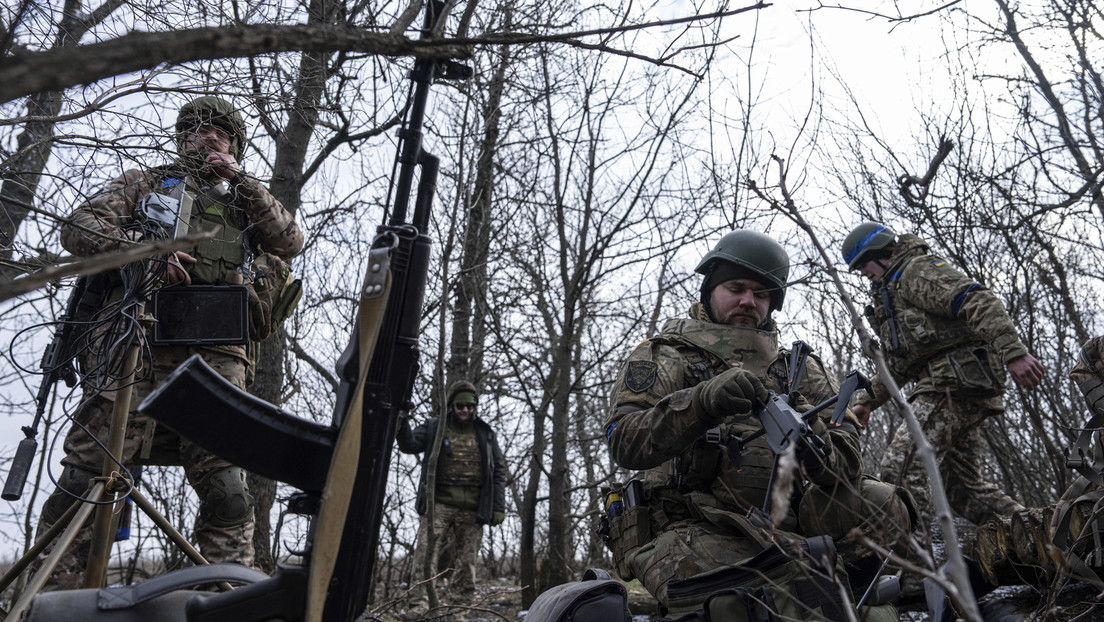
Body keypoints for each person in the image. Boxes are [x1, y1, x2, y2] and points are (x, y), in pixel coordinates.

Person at [37, 96, 304, 588]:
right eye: (198, 129)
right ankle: (53, 598)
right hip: (133, 343)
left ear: (235, 146)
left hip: (216, 357)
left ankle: (227, 597)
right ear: (181, 140)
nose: (210, 137)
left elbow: (290, 241)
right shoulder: (143, 183)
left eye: (221, 132)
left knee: (228, 490)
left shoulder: (247, 203)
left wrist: (243, 181)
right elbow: (76, 227)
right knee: (87, 476)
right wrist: (144, 252)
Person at [603, 230, 911, 619]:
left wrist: (814, 442)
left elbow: (848, 462)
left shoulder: (799, 367)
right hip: (694, 521)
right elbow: (624, 441)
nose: (748, 301)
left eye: (761, 294)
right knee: (762, 597)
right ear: (710, 290)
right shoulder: (666, 355)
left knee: (882, 501)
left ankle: (856, 594)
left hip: (787, 518)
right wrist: (700, 404)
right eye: (736, 288)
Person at [841, 222, 1044, 590]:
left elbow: (976, 299)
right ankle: (1046, 542)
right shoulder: (892, 294)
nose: (863, 275)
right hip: (951, 386)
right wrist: (867, 400)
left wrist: (1013, 352)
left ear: (881, 254)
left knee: (900, 468)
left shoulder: (915, 271)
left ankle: (915, 576)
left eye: (863, 266)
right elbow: (900, 365)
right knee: (964, 491)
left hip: (953, 384)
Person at [396, 380, 507, 609]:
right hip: (438, 505)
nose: (465, 410)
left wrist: (498, 506)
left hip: (473, 508)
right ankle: (419, 605)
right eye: (460, 406)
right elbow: (409, 444)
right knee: (426, 555)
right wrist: (401, 420)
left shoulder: (485, 433)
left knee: (467, 564)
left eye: (469, 406)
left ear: (474, 407)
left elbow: (498, 470)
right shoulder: (435, 427)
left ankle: (458, 610)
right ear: (452, 406)